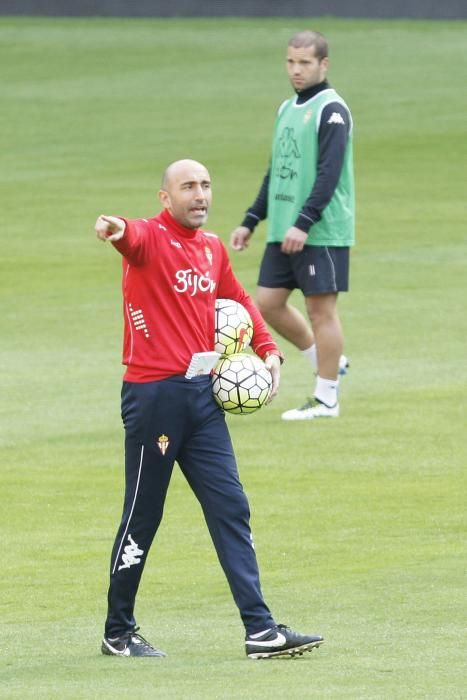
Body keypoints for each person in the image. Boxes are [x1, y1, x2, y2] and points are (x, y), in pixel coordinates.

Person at [95, 159, 324, 658]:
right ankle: (118, 631)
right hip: (154, 400)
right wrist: (113, 227)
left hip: (202, 397)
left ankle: (260, 630)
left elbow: (238, 298)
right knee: (143, 515)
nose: (199, 195)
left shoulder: (212, 248)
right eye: (188, 187)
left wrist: (268, 349)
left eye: (205, 186)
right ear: (165, 197)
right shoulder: (149, 239)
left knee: (230, 506)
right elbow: (125, 234)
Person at [230, 30, 355, 421]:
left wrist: (304, 222)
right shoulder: (286, 108)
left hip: (319, 231)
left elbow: (329, 174)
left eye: (304, 63)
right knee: (266, 303)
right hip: (283, 229)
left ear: (323, 65)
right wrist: (252, 219)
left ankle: (327, 397)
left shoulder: (331, 111)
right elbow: (278, 170)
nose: (296, 70)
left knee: (321, 312)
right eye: (290, 62)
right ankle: (327, 360)